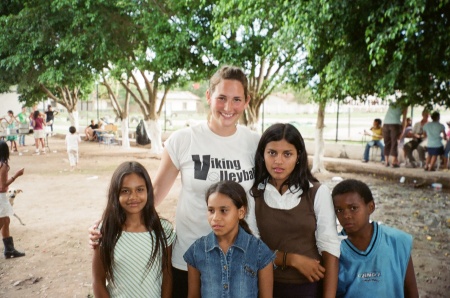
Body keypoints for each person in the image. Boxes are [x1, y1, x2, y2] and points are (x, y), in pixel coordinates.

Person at [89, 65, 260, 297]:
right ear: (208, 96)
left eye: (236, 99)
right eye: (221, 98)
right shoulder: (183, 140)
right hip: (189, 259)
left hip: (240, 257)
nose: (228, 107)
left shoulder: (255, 143)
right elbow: (155, 190)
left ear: (247, 101)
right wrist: (107, 222)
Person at [250, 123, 340, 298]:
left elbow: (330, 248)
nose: (278, 161)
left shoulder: (316, 192)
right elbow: (251, 249)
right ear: (262, 154)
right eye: (272, 153)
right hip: (264, 287)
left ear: (299, 156)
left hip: (307, 289)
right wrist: (291, 259)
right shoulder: (254, 194)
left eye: (287, 154)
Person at [92, 161, 175, 297]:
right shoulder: (106, 231)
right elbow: (98, 281)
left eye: (139, 189)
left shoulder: (163, 230)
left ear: (148, 191)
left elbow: (167, 275)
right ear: (116, 193)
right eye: (125, 191)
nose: (133, 197)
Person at [183, 180, 274, 298]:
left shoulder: (260, 251)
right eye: (211, 210)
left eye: (224, 211)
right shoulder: (197, 250)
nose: (215, 218)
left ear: (241, 212)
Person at [331, 179, 418, 298]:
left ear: (370, 207)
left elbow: (411, 292)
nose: (346, 215)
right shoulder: (333, 249)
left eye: (353, 208)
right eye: (339, 210)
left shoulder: (397, 241)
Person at [0, 140, 25, 259]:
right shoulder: (3, 165)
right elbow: (3, 185)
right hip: (1, 197)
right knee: (2, 222)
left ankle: (9, 249)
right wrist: (16, 175)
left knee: (6, 221)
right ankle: (9, 249)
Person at [382, 103, 408, 168]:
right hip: (395, 124)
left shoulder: (392, 104)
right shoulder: (404, 106)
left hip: (385, 124)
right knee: (394, 143)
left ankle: (386, 161)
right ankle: (394, 162)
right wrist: (403, 131)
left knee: (387, 143)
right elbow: (404, 119)